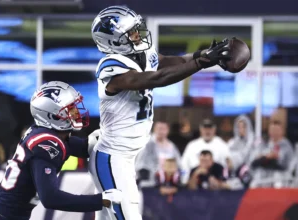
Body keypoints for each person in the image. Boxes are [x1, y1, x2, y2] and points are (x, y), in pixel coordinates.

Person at [88, 5, 232, 220]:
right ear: (113, 42)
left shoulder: (142, 54)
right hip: (112, 156)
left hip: (129, 155)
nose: (138, 35)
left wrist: (203, 55)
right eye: (131, 33)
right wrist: (200, 63)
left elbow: (170, 62)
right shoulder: (111, 66)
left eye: (137, 29)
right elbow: (155, 78)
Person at [0, 81, 122, 220]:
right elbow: (50, 198)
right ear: (52, 115)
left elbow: (85, 148)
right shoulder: (46, 143)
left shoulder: (49, 135)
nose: (77, 112)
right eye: (70, 109)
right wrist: (100, 200)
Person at [181, 118, 230, 184]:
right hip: (196, 180)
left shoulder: (222, 145)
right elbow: (184, 165)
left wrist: (223, 180)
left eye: (210, 129)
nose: (207, 131)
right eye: (205, 129)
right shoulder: (192, 145)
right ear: (200, 130)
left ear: (214, 130)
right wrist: (185, 180)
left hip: (216, 180)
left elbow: (228, 165)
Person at [135, 121, 182, 188]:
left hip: (168, 182)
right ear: (154, 129)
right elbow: (139, 165)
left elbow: (179, 165)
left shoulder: (172, 146)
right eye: (159, 129)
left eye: (163, 129)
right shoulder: (148, 144)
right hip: (150, 183)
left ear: (168, 130)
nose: (161, 131)